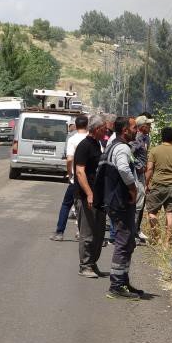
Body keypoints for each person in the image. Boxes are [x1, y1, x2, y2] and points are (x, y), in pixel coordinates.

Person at [99, 117, 143, 299]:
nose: (136, 130)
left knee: (128, 242)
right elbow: (124, 170)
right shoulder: (122, 148)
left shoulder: (115, 145)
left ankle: (123, 281)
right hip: (120, 201)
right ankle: (116, 286)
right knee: (123, 242)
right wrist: (132, 189)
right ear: (125, 130)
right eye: (134, 127)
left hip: (116, 200)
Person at [74, 115, 107, 278]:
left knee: (99, 233)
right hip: (86, 196)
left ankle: (93, 263)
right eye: (104, 128)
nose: (106, 131)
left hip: (99, 197)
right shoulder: (84, 146)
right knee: (87, 233)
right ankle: (85, 265)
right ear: (96, 129)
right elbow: (80, 172)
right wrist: (89, 193)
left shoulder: (96, 144)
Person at [145, 127, 172, 246]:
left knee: (152, 212)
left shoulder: (154, 151)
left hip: (157, 185)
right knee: (170, 213)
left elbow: (150, 169)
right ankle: (167, 241)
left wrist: (146, 184)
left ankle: (157, 238)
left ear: (162, 136)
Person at [50, 115, 89, 241]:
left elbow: (70, 159)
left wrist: (70, 174)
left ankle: (60, 232)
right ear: (87, 125)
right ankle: (83, 233)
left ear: (76, 126)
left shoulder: (73, 139)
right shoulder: (92, 139)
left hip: (76, 179)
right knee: (86, 206)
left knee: (67, 205)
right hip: (90, 179)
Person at [130, 115, 153, 242]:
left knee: (140, 203)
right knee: (137, 204)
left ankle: (136, 230)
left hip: (142, 175)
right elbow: (129, 154)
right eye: (148, 125)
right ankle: (132, 233)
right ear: (142, 126)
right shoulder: (137, 139)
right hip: (136, 174)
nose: (150, 127)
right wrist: (137, 165)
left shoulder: (146, 138)